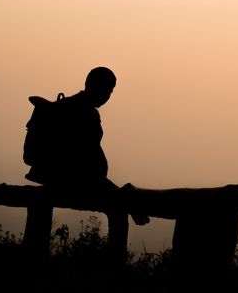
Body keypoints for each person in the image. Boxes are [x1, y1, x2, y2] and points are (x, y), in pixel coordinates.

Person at [22, 67, 147, 268]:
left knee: (123, 198)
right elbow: (85, 169)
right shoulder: (85, 113)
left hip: (62, 180)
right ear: (90, 85)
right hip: (74, 183)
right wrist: (122, 196)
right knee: (120, 208)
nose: (106, 96)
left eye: (110, 91)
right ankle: (113, 271)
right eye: (105, 89)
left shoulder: (68, 106)